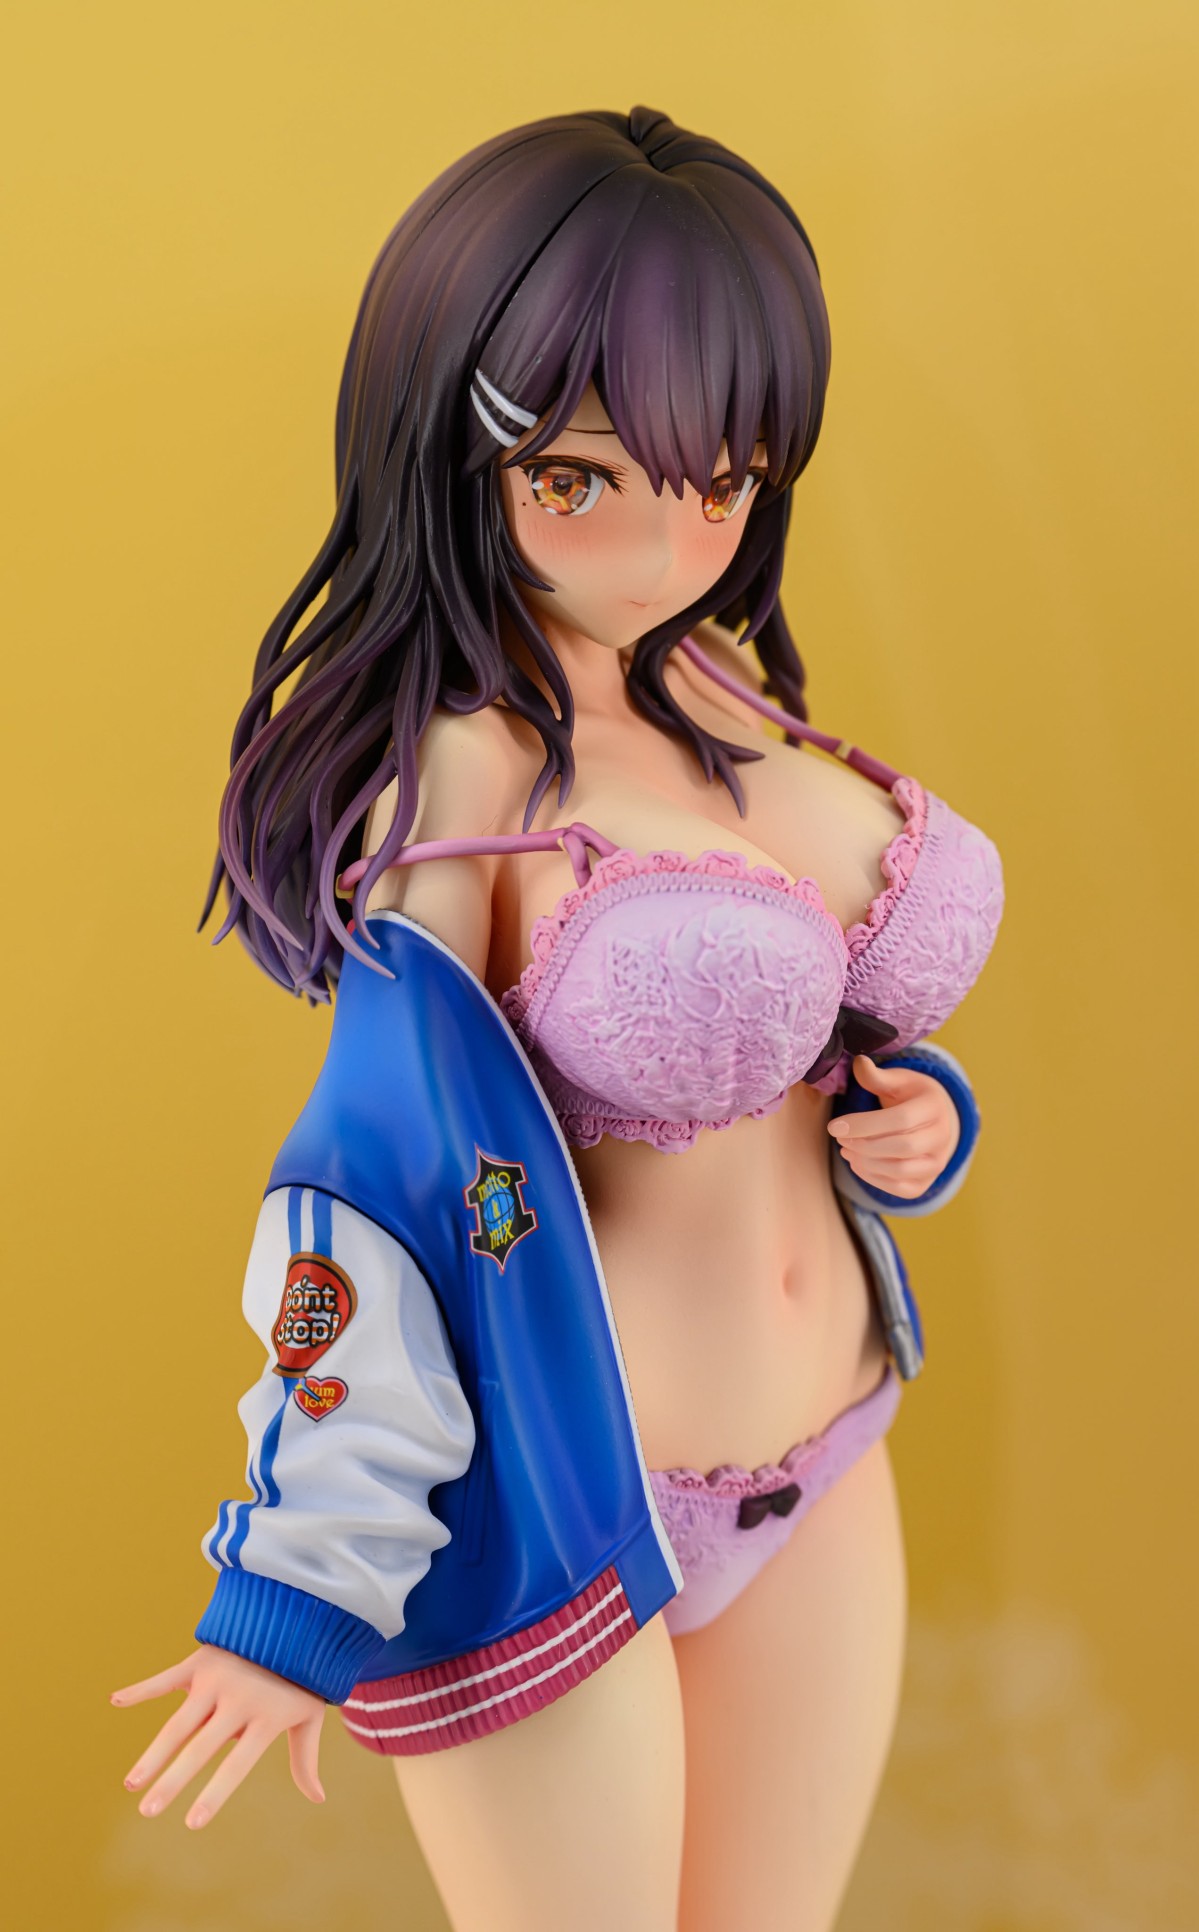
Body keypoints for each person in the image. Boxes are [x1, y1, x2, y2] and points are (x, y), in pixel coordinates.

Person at [112, 106, 1003, 1932]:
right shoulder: (459, 778)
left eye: (724, 481)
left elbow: (806, 1040)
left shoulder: (727, 698)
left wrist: (909, 1110)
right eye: (587, 478)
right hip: (563, 1517)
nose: (670, 542)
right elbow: (375, 1187)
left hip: (827, 1453)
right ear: (454, 440)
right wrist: (299, 1576)